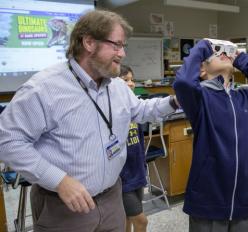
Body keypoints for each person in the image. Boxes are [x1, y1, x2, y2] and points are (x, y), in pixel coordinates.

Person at [0, 10, 179, 232]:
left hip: (113, 198)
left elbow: (141, 110)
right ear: (89, 42)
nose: (122, 53)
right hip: (65, 206)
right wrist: (59, 181)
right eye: (116, 45)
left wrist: (175, 101)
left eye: (124, 46)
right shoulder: (43, 89)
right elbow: (8, 141)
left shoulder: (117, 86)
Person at [173, 39, 248, 232]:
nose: (223, 54)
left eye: (226, 53)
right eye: (215, 54)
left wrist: (242, 60)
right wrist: (204, 46)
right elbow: (184, 82)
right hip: (209, 201)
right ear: (202, 70)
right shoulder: (200, 98)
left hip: (246, 199)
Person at [119, 64, 148, 232]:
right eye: (125, 80)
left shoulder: (134, 108)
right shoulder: (115, 109)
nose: (131, 84)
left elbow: (139, 143)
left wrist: (143, 167)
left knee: (127, 219)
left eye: (132, 80)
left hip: (137, 173)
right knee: (141, 221)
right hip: (122, 179)